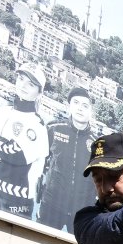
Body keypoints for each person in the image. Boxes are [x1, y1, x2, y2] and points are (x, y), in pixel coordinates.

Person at [0, 61, 50, 218]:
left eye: (31, 84)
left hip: (18, 198)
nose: (23, 85)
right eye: (21, 79)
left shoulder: (37, 126)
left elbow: (15, 155)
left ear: (39, 93)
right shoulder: (4, 111)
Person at [38, 87, 97, 233]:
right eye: (76, 103)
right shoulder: (53, 129)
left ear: (91, 112)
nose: (80, 108)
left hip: (81, 212)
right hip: (51, 205)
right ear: (68, 106)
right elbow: (39, 161)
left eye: (85, 106)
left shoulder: (98, 144)